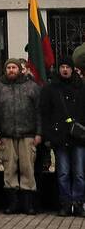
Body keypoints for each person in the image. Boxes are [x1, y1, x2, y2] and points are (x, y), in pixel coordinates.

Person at [0, 58, 42, 215]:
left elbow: (39, 112)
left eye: (14, 67)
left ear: (20, 69)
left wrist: (39, 133)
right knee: (9, 168)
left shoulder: (32, 87)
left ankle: (28, 204)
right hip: (6, 135)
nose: (11, 70)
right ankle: (12, 204)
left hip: (28, 134)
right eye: (8, 68)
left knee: (27, 168)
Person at [40, 56, 85, 216]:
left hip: (79, 138)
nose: (65, 69)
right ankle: (65, 203)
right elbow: (44, 114)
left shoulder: (81, 87)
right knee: (63, 172)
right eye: (62, 67)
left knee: (79, 173)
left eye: (68, 67)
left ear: (73, 69)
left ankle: (78, 202)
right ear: (58, 69)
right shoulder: (50, 88)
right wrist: (50, 135)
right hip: (59, 138)